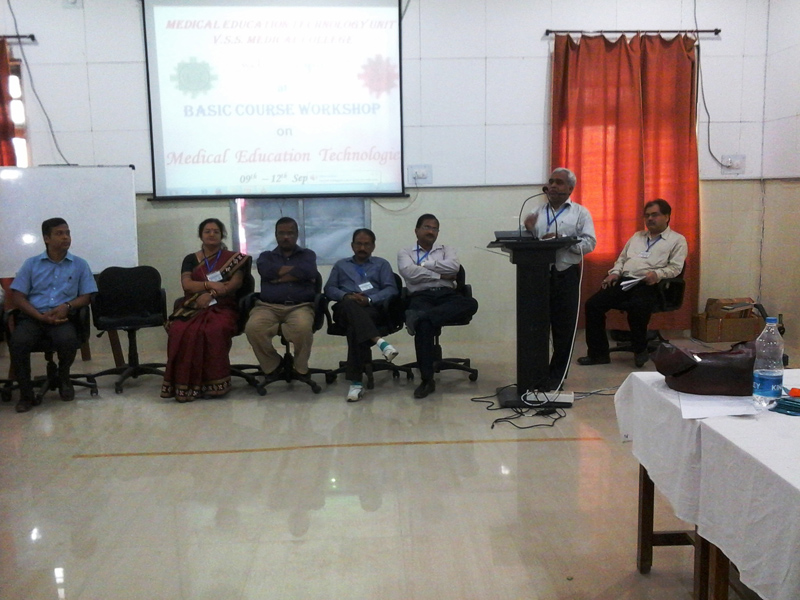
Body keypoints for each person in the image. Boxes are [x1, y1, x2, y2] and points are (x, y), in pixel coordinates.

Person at [578, 199, 688, 368]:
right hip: (626, 280)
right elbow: (622, 259)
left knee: (637, 306)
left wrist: (657, 274)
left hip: (651, 284)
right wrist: (614, 273)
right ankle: (598, 354)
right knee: (593, 305)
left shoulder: (677, 240)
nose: (650, 219)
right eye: (647, 215)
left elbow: (675, 268)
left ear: (667, 216)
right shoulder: (637, 236)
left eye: (655, 215)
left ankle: (640, 349)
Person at [8, 218, 98, 413]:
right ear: (46, 238)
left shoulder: (80, 264)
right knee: (18, 343)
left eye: (68, 233)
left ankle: (63, 377)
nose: (66, 237)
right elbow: (18, 296)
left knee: (68, 340)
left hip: (62, 317)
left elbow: (87, 296)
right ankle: (26, 394)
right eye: (59, 233)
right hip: (34, 316)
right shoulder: (31, 264)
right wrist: (39, 316)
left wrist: (67, 305)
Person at [160, 218, 251, 402]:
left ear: (222, 235)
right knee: (179, 329)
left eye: (216, 231)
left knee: (213, 329)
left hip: (223, 305)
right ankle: (184, 384)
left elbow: (234, 284)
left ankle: (214, 384)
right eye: (207, 231)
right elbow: (187, 285)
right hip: (193, 305)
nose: (211, 234)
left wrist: (211, 294)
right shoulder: (190, 259)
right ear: (201, 235)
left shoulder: (234, 259)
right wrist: (209, 284)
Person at [523, 167, 597, 391]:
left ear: (570, 188)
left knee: (563, 329)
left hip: (566, 274)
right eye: (551, 181)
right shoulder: (536, 211)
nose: (553, 185)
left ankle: (557, 376)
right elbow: (524, 242)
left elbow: (590, 243)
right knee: (537, 328)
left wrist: (563, 239)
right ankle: (536, 373)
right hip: (538, 277)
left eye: (559, 182)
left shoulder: (580, 213)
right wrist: (528, 230)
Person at [398, 214, 479, 399]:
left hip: (446, 295)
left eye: (435, 228)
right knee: (424, 327)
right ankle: (427, 380)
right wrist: (440, 274)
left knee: (470, 303)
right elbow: (410, 273)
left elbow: (454, 268)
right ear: (416, 231)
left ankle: (421, 316)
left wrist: (425, 265)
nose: (431, 231)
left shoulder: (447, 249)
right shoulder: (405, 252)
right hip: (421, 296)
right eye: (427, 227)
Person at [324, 228, 400, 402]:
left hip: (371, 309)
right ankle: (379, 342)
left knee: (355, 328)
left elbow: (391, 289)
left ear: (373, 246)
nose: (362, 248)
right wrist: (346, 296)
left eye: (367, 244)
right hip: (344, 309)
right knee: (350, 304)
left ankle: (356, 383)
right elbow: (329, 288)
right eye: (359, 244)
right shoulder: (341, 265)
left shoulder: (381, 264)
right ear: (352, 245)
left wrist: (370, 299)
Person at [245, 217, 318, 384]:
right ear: (276, 235)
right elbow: (266, 271)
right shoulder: (266, 256)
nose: (286, 237)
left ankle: (300, 368)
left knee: (303, 327)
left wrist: (277, 277)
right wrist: (296, 273)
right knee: (253, 328)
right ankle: (274, 365)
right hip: (267, 307)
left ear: (297, 235)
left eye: (290, 233)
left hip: (300, 306)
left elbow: (309, 271)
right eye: (282, 233)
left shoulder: (307, 255)